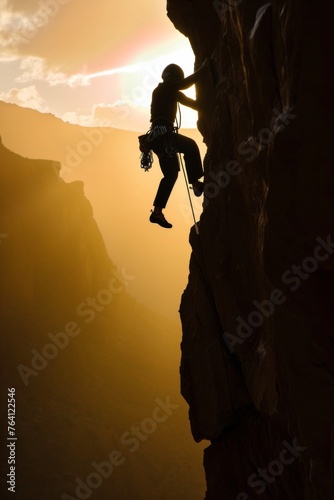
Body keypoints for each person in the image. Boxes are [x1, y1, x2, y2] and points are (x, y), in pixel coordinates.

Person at [148, 59, 211, 229]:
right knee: (190, 146)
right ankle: (196, 184)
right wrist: (203, 71)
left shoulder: (161, 91)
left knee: (171, 175)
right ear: (174, 79)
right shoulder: (169, 89)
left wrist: (203, 106)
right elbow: (185, 87)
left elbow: (189, 101)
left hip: (157, 138)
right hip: (164, 135)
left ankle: (157, 212)